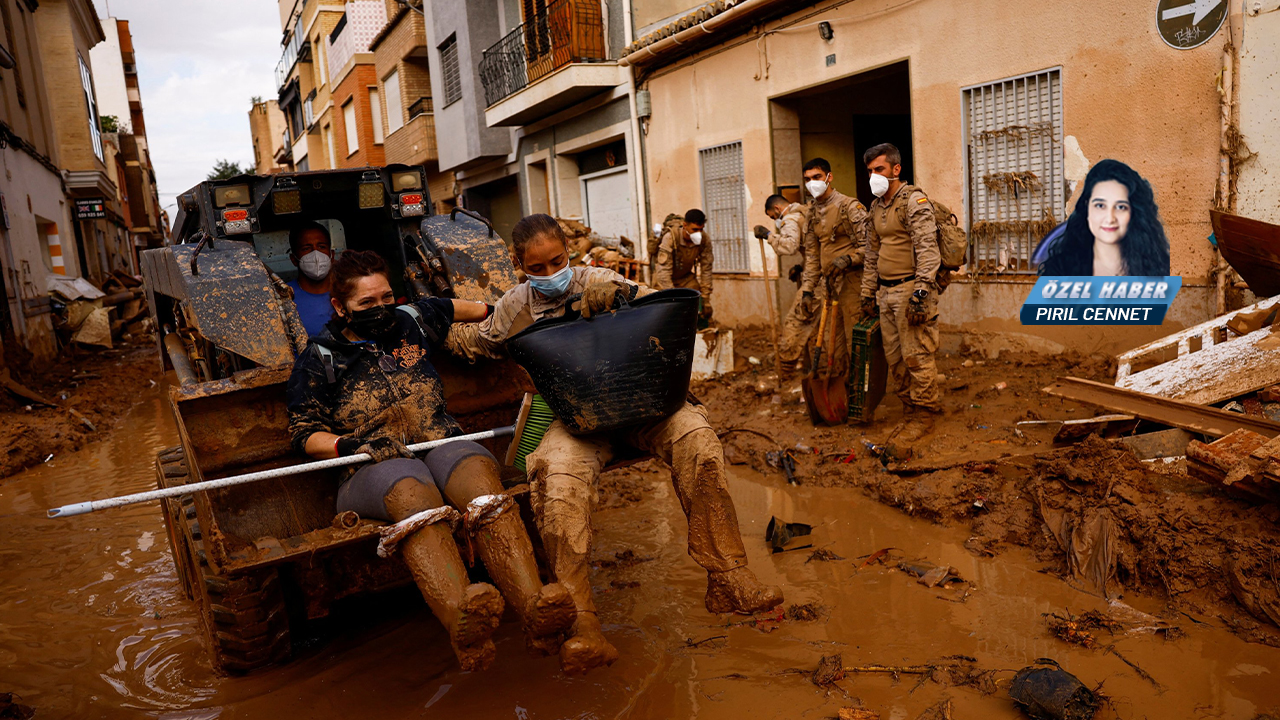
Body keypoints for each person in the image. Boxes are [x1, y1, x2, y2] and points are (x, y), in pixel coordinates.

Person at [448, 214, 784, 676]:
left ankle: (728, 575)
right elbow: (478, 342)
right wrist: (429, 320)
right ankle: (583, 623)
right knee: (556, 476)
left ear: (570, 253)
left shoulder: (599, 280)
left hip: (643, 402)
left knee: (698, 439)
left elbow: (665, 312)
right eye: (537, 267)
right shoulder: (514, 307)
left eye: (558, 262)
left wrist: (624, 299)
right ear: (517, 264)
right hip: (578, 419)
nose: (550, 274)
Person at [286, 250, 576, 672]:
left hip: (440, 442)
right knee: (411, 489)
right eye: (366, 304)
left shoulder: (414, 319)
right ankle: (463, 621)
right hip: (370, 467)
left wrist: (522, 318)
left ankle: (535, 608)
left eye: (386, 298)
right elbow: (303, 434)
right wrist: (351, 446)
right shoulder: (319, 358)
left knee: (479, 478)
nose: (381, 309)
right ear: (339, 307)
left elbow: (475, 309)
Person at [859, 143, 943, 421]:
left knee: (917, 356)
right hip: (885, 291)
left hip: (911, 289)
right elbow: (872, 253)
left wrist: (921, 293)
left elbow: (927, 249)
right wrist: (867, 292)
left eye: (879, 169)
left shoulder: (913, 201)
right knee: (894, 358)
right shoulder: (875, 207)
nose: (874, 176)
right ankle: (910, 408)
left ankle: (926, 411)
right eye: (870, 171)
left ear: (896, 169)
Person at [1035, 159, 1170, 276]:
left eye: (1120, 207)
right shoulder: (1060, 270)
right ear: (1087, 208)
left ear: (1133, 212)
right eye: (1100, 205)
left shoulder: (1158, 267)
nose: (1110, 218)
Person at [800, 158, 870, 382]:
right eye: (807, 179)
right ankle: (841, 394)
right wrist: (807, 290)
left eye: (817, 177)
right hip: (828, 286)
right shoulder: (811, 213)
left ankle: (862, 395)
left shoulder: (849, 206)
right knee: (832, 344)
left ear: (829, 177)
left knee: (856, 342)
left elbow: (870, 247)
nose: (812, 183)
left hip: (852, 283)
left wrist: (849, 259)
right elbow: (812, 256)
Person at [754, 194, 818, 375]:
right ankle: (807, 367)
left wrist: (769, 236)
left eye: (773, 217)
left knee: (795, 323)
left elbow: (789, 246)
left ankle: (787, 368)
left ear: (776, 209)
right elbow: (813, 248)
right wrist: (801, 266)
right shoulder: (804, 212)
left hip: (818, 279)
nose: (774, 220)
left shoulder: (790, 219)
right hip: (819, 270)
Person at [654, 208, 714, 321]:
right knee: (665, 313)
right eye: (695, 229)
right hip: (664, 281)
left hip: (685, 279)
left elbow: (707, 269)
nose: (698, 233)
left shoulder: (704, 240)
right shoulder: (671, 238)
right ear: (685, 225)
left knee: (695, 300)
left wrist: (706, 299)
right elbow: (663, 273)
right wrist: (673, 298)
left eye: (701, 230)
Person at [286, 221, 337, 338]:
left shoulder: (348, 291)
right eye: (306, 248)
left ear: (332, 255)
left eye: (321, 247)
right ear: (294, 259)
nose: (315, 254)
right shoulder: (284, 297)